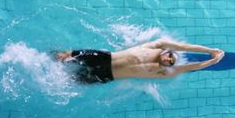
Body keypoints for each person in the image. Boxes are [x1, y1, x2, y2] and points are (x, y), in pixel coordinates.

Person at [54, 39, 225, 84]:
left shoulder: (161, 72)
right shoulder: (155, 46)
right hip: (104, 57)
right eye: (170, 55)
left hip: (107, 76)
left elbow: (191, 67)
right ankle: (45, 57)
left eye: (171, 61)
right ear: (167, 51)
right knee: (63, 56)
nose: (168, 59)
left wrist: (211, 62)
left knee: (68, 82)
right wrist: (209, 50)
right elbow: (184, 45)